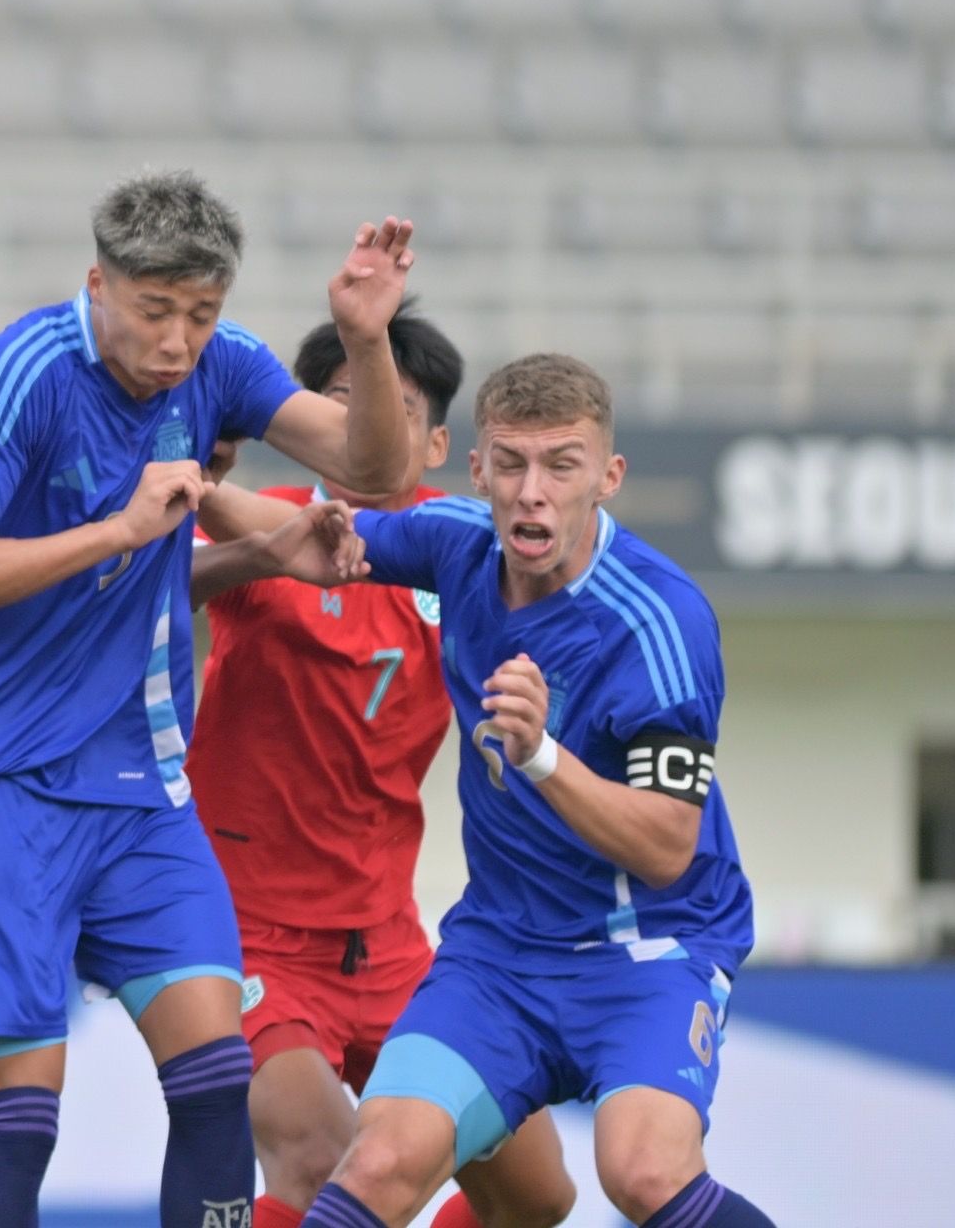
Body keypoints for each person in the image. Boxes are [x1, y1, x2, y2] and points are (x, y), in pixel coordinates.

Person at [0, 170, 418, 1228]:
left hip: (142, 787)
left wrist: (365, 342)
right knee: (17, 1122)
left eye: (202, 313)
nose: (179, 340)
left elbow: (374, 469)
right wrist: (118, 531)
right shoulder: (19, 373)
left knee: (218, 1078)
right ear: (99, 283)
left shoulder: (222, 366)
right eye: (154, 311)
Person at [297, 354, 770, 1228]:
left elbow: (669, 847)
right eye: (510, 463)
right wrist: (190, 509)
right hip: (501, 956)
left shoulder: (662, 621)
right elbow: (314, 535)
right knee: (378, 1164)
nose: (532, 492)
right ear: (476, 471)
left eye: (562, 464)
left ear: (608, 477)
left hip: (647, 949)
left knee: (644, 1173)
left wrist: (544, 756)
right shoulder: (457, 544)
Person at [188, 308, 575, 1228]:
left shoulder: (465, 556)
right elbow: (162, 570)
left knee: (536, 1197)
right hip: (254, 938)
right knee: (323, 1160)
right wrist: (208, 508)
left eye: (390, 409)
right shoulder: (274, 530)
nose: (360, 427)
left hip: (392, 937)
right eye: (338, 405)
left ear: (438, 442)